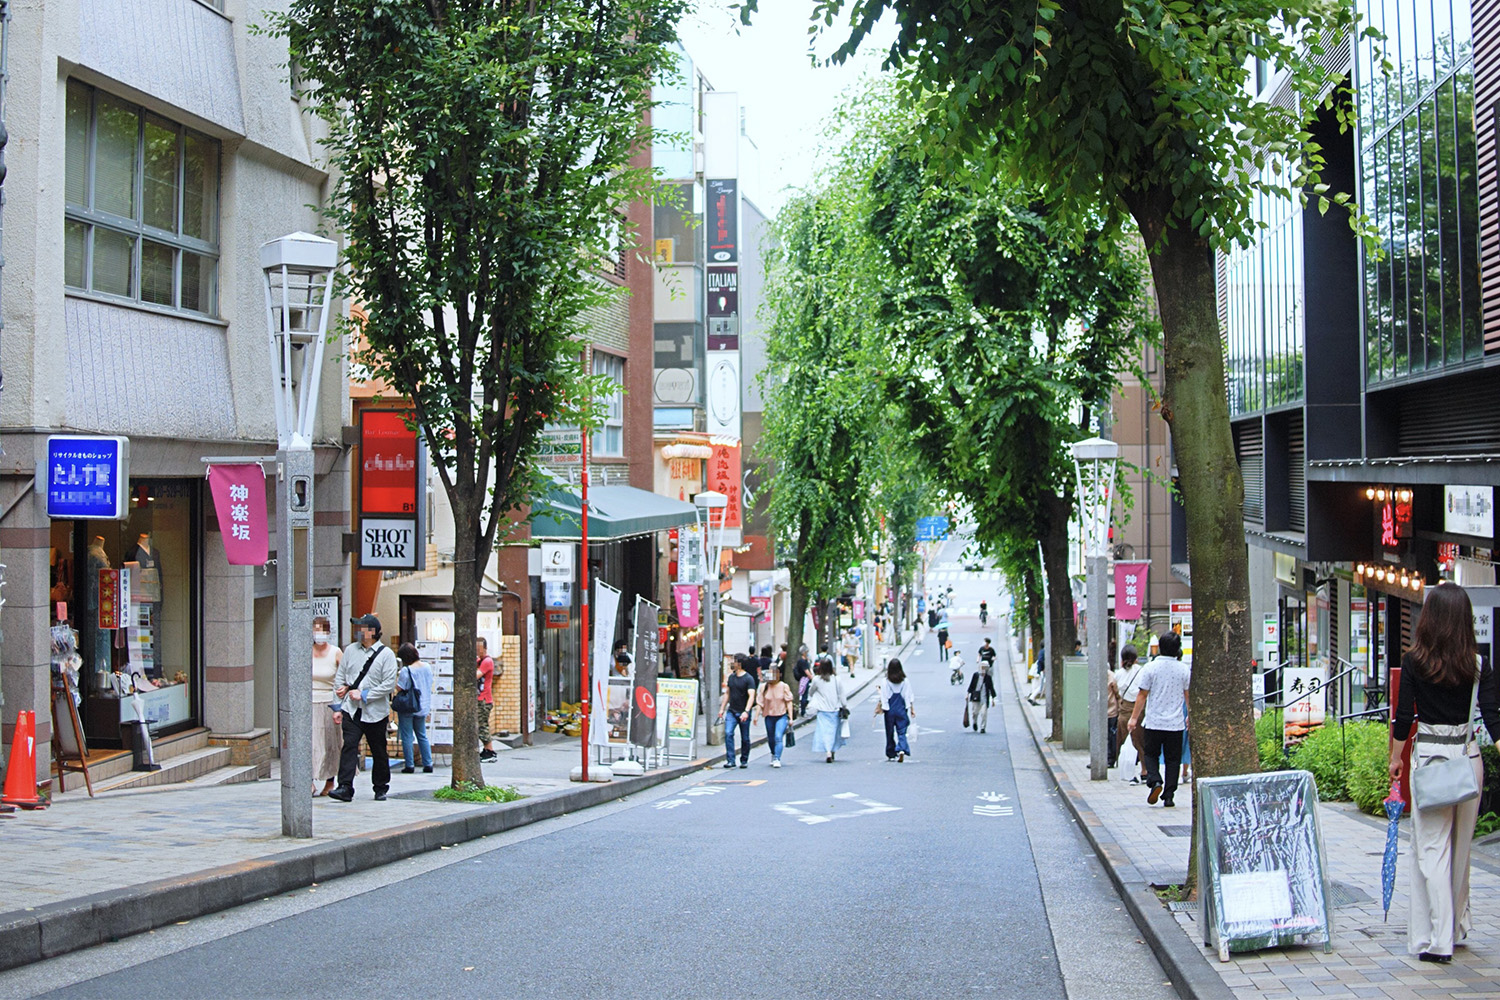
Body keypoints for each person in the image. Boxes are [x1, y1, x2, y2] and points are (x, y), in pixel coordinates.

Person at [1390, 582, 1500, 963]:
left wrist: (1396, 758)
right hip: (1469, 762)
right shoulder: (1477, 663)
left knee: (1432, 849)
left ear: (1430, 619)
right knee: (1461, 852)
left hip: (1433, 760)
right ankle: (1454, 927)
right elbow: (1493, 717)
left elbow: (1404, 717)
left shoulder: (1415, 661)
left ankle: (1437, 939)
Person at [329, 614, 399, 802]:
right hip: (351, 709)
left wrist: (365, 694)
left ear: (373, 632)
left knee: (378, 749)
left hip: (375, 711)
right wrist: (337, 706)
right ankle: (344, 786)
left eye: (362, 628)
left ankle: (380, 787)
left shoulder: (386, 655)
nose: (357, 631)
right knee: (349, 746)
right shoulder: (351, 650)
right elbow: (340, 677)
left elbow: (388, 684)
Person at [1126, 632, 1189, 808]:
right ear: (1177, 649)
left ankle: (1155, 781)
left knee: (1151, 754)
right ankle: (1169, 795)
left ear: (1160, 648)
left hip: (1154, 721)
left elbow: (1142, 695)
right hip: (1175, 723)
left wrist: (1133, 718)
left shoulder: (1150, 668)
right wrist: (1189, 716)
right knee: (1173, 759)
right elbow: (1187, 695)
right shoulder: (1183, 669)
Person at [310, 616, 342, 797]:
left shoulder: (336, 652)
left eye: (321, 630)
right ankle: (310, 780)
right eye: (315, 630)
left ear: (328, 633)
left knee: (330, 742)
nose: (318, 634)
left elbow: (346, 675)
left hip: (329, 703)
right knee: (311, 743)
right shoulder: (307, 651)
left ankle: (330, 781)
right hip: (310, 702)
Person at [394, 642, 434, 774]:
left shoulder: (407, 670)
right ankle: (428, 763)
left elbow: (401, 687)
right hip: (422, 706)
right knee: (422, 735)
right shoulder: (427, 667)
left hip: (408, 706)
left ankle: (409, 765)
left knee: (407, 736)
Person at [1116, 645, 1147, 783]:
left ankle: (1128, 771)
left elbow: (1118, 692)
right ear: (1136, 658)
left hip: (1124, 710)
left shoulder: (1119, 673)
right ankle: (1144, 770)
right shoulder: (1141, 671)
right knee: (1140, 741)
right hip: (1138, 709)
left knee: (1126, 741)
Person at [808, 655, 849, 763]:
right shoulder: (836, 679)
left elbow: (811, 692)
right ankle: (832, 751)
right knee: (833, 732)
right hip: (834, 709)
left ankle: (828, 751)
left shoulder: (816, 680)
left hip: (822, 710)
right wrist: (844, 706)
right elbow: (841, 694)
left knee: (824, 731)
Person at [719, 654, 757, 768]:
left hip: (743, 711)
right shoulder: (731, 677)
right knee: (728, 733)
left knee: (745, 737)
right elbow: (727, 693)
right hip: (732, 710)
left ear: (739, 663)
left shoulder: (748, 679)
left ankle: (744, 759)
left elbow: (751, 696)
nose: (732, 663)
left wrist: (746, 711)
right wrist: (722, 709)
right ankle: (731, 760)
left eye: (734, 661)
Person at [755, 665, 794, 768]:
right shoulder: (764, 687)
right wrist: (756, 716)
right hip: (769, 716)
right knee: (771, 738)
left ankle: (777, 758)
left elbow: (789, 702)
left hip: (781, 715)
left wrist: (790, 717)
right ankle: (773, 753)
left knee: (778, 736)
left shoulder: (784, 686)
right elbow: (760, 702)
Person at [877, 658, 915, 761]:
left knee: (889, 731)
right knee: (901, 730)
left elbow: (884, 696)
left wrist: (884, 707)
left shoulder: (885, 681)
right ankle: (902, 748)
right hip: (901, 708)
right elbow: (908, 695)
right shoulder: (905, 681)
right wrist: (911, 708)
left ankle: (891, 752)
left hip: (889, 709)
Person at [476, 637, 498, 762]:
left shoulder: (487, 661)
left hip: (484, 699)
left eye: (479, 649)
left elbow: (476, 675)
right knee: (480, 724)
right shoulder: (479, 660)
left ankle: (490, 750)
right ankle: (486, 749)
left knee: (482, 725)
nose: (478, 651)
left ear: (485, 648)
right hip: (480, 697)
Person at [967, 660, 996, 733]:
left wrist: (993, 698)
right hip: (975, 697)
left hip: (984, 698)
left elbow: (991, 688)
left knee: (983, 713)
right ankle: (975, 722)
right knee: (975, 712)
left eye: (985, 668)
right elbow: (971, 685)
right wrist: (967, 694)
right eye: (982, 667)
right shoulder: (976, 675)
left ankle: (983, 727)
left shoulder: (988, 677)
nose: (984, 669)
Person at [792, 645, 812, 718]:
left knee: (804, 695)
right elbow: (806, 671)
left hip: (802, 679)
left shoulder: (802, 661)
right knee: (804, 696)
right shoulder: (803, 662)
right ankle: (803, 711)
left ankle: (802, 710)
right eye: (807, 652)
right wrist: (811, 677)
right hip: (804, 679)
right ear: (804, 652)